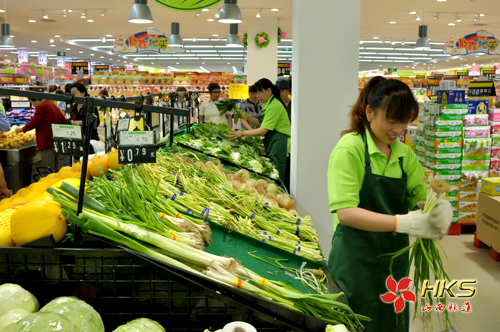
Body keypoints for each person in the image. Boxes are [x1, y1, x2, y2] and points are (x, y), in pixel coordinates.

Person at [326, 76, 453, 332]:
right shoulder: (350, 149)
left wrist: (435, 206)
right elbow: (346, 213)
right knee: (355, 322)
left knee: (391, 322)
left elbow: (419, 192)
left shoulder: (404, 154)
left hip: (394, 265)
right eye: (393, 121)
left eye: (405, 122)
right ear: (369, 112)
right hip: (355, 262)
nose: (399, 129)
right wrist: (402, 222)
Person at [229, 78, 291, 186]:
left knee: (279, 178)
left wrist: (241, 133)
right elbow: (259, 123)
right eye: (256, 93)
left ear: (268, 90)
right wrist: (246, 116)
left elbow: (262, 130)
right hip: (275, 142)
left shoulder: (274, 106)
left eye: (259, 92)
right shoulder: (269, 104)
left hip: (281, 144)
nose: (257, 96)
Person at [15, 97, 67, 175]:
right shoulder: (52, 105)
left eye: (32, 103)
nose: (33, 106)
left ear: (35, 100)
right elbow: (64, 120)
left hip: (46, 141)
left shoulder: (41, 107)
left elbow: (34, 122)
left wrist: (21, 129)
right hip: (56, 141)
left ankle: (48, 186)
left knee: (48, 170)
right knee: (56, 169)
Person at [69, 83, 100, 154]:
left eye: (75, 93)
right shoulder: (73, 107)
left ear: (83, 93)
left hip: (90, 139)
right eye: (71, 94)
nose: (73, 96)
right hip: (76, 139)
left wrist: (82, 122)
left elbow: (96, 122)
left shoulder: (90, 106)